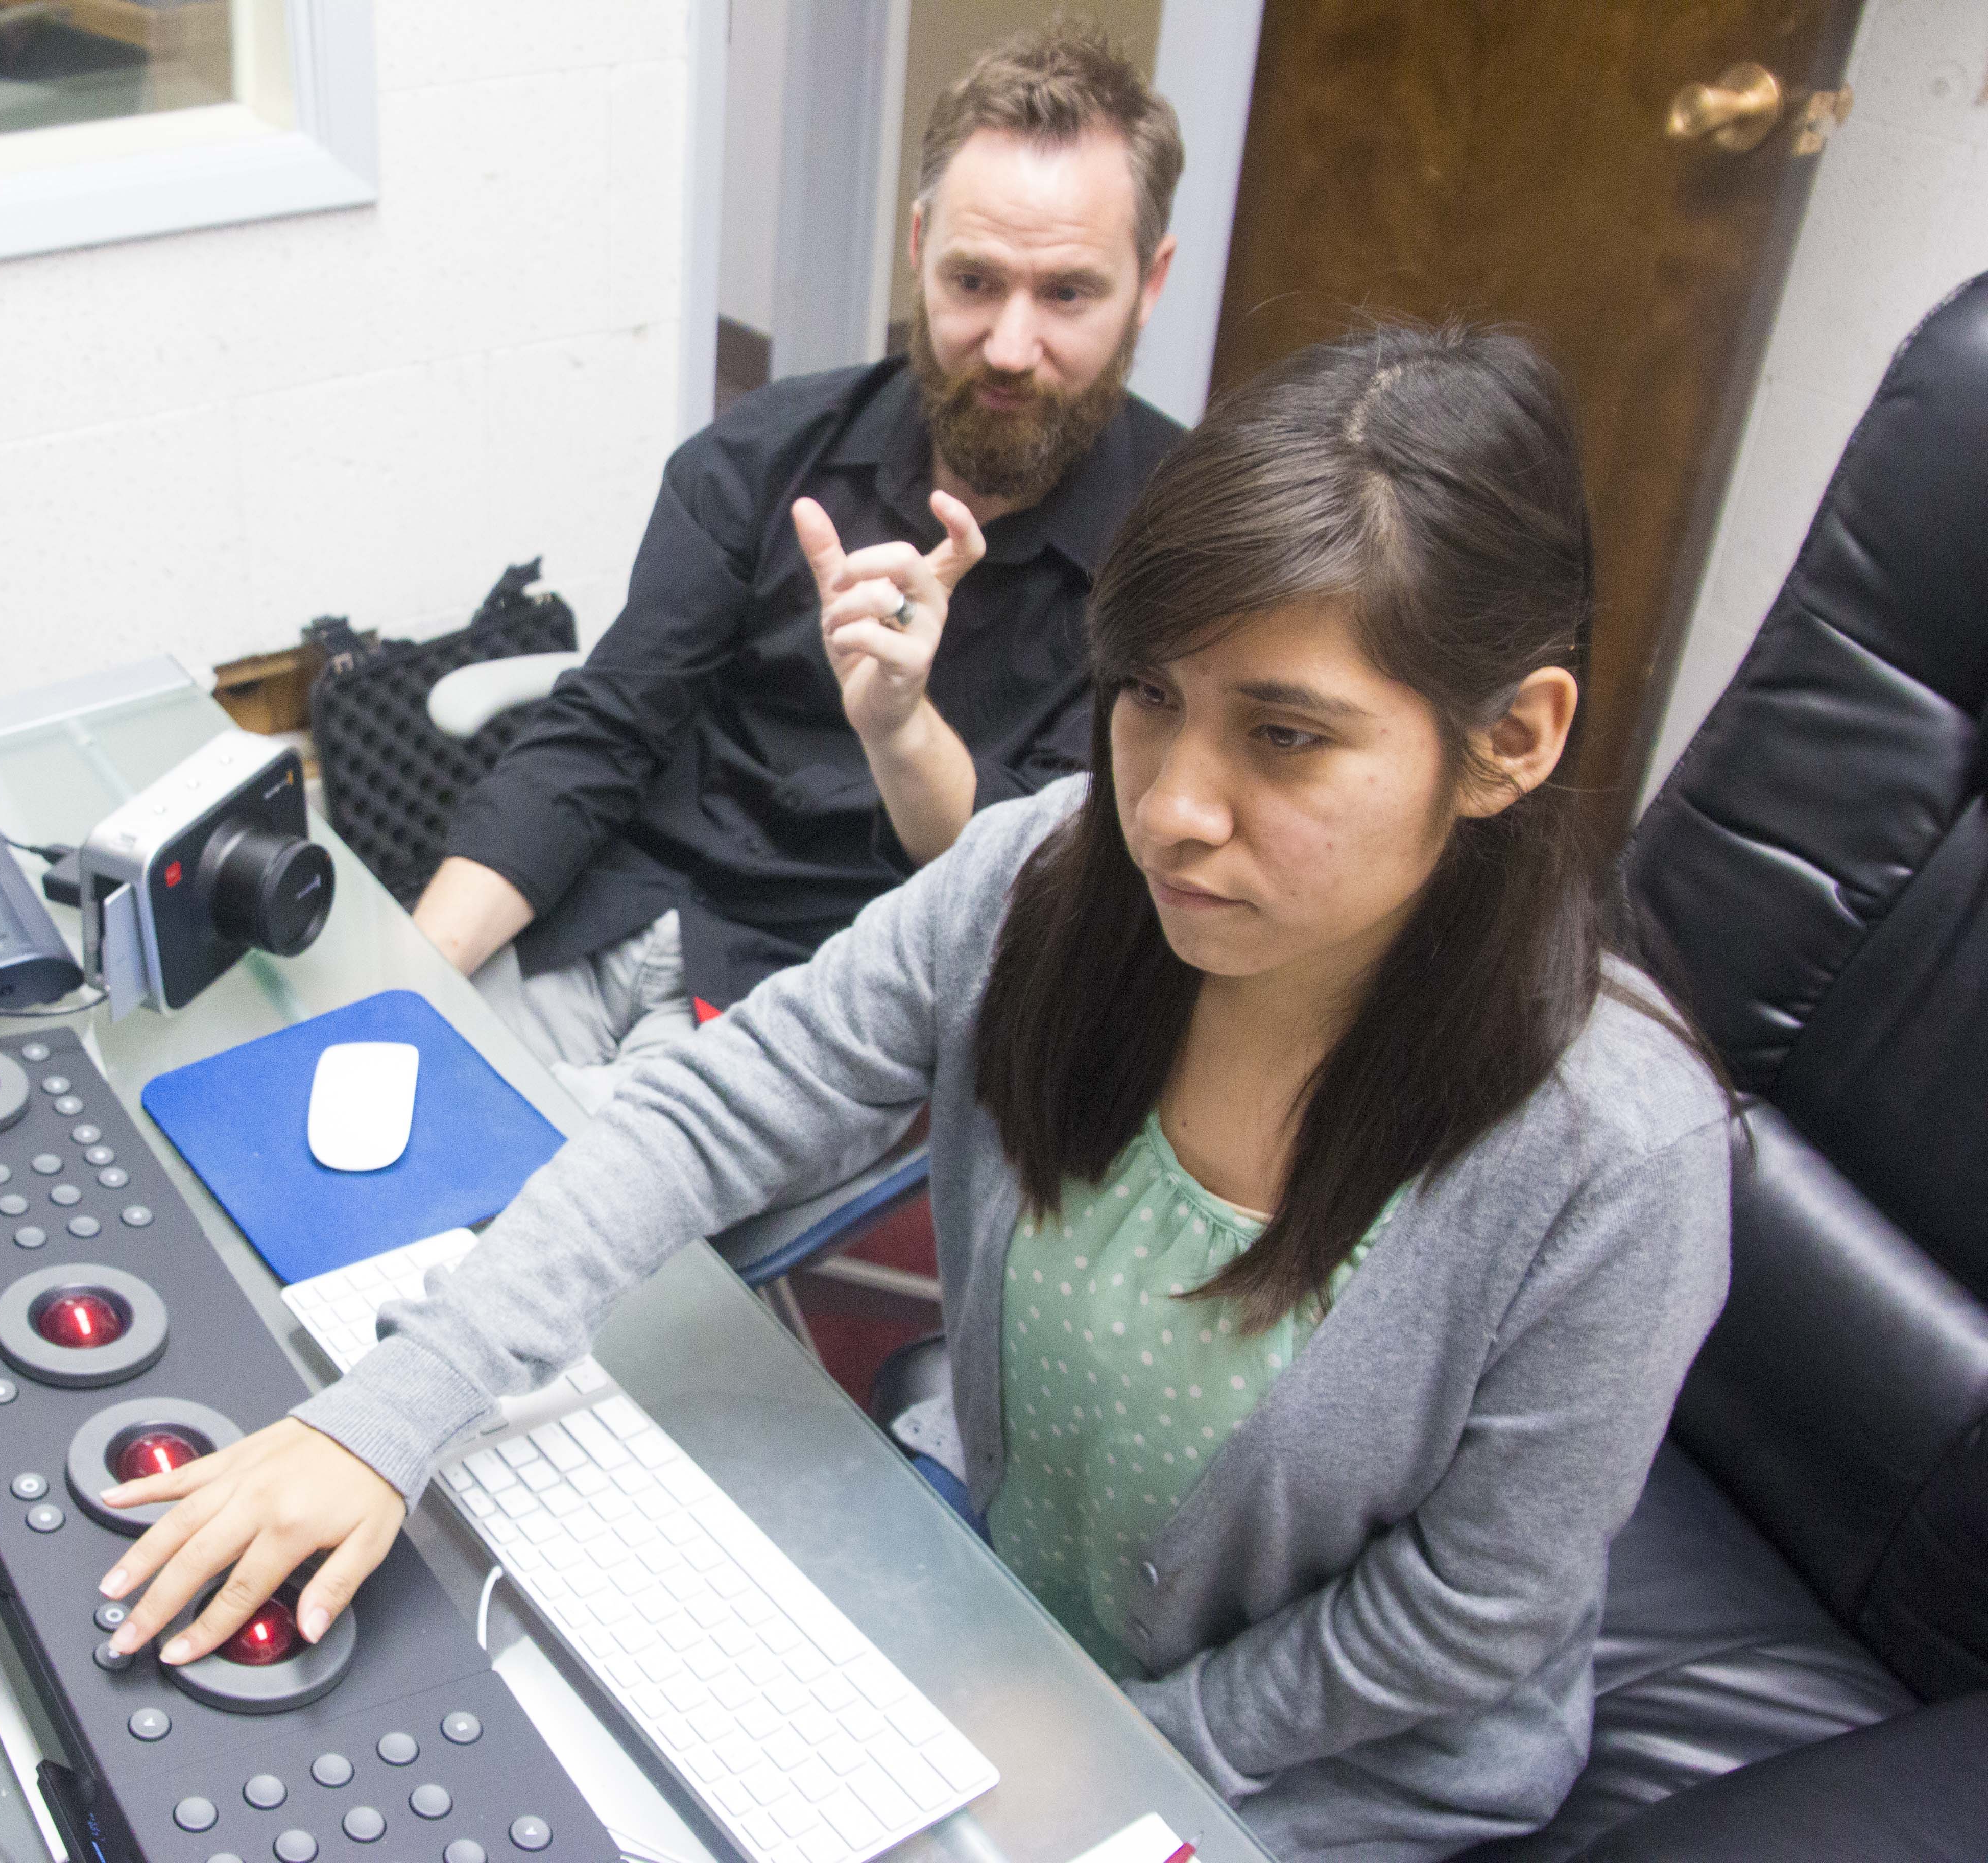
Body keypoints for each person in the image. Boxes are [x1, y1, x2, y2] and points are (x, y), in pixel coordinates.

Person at [88, 324, 1736, 1859]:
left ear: (1509, 738)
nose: (1170, 803)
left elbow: (1469, 1612)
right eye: (1148, 697)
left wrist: (1117, 1743)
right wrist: (388, 1416)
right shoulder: (1047, 871)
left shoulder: (1615, 1155)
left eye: (1287, 737)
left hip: (1305, 1753)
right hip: (1012, 1600)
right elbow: (705, 1108)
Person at [418, 19, 1185, 1110]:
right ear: (917, 246)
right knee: (360, 1109)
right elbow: (607, 727)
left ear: (1148, 283)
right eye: (974, 282)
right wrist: (401, 987)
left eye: (1067, 294)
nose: (1011, 347)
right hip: (623, 904)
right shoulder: (764, 452)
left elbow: (1026, 892)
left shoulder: (1187, 554)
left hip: (831, 982)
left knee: (538, 1225)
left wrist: (901, 726)